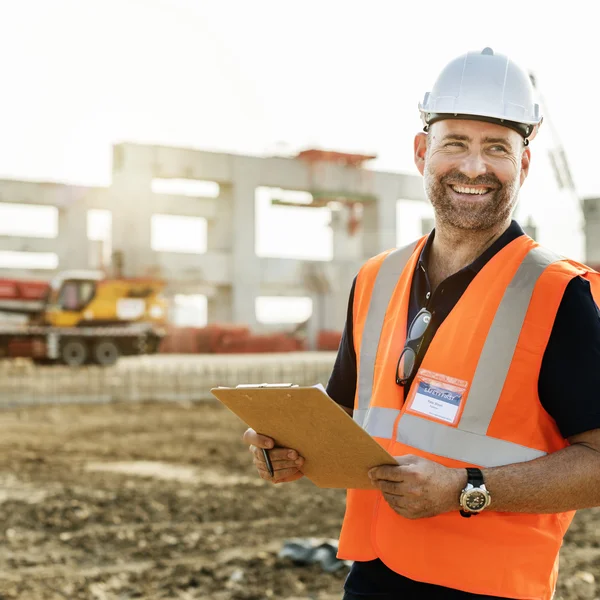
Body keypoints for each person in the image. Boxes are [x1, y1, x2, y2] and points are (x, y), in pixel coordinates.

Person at [243, 48, 600, 600]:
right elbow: (347, 418)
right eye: (455, 143)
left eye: (497, 149)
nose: (474, 168)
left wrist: (467, 489)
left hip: (491, 589)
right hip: (374, 576)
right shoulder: (376, 278)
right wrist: (287, 448)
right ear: (421, 152)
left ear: (524, 165)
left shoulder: (559, 294)